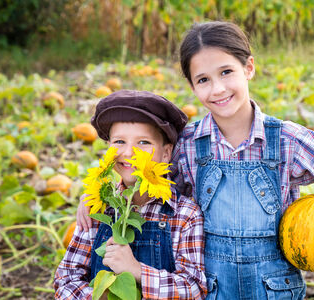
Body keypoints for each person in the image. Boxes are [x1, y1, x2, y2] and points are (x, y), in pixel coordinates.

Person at [78, 22, 314, 299]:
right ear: (193, 86)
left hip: (275, 290)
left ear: (248, 67)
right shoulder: (187, 145)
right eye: (203, 80)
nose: (218, 89)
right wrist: (100, 196)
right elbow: (144, 179)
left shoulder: (289, 141)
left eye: (226, 72)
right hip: (210, 288)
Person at [55, 90, 207, 299]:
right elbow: (66, 278)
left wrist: (136, 271)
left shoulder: (184, 215)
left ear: (166, 153)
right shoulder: (97, 207)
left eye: (143, 142)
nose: (129, 153)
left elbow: (194, 287)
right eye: (119, 142)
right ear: (108, 147)